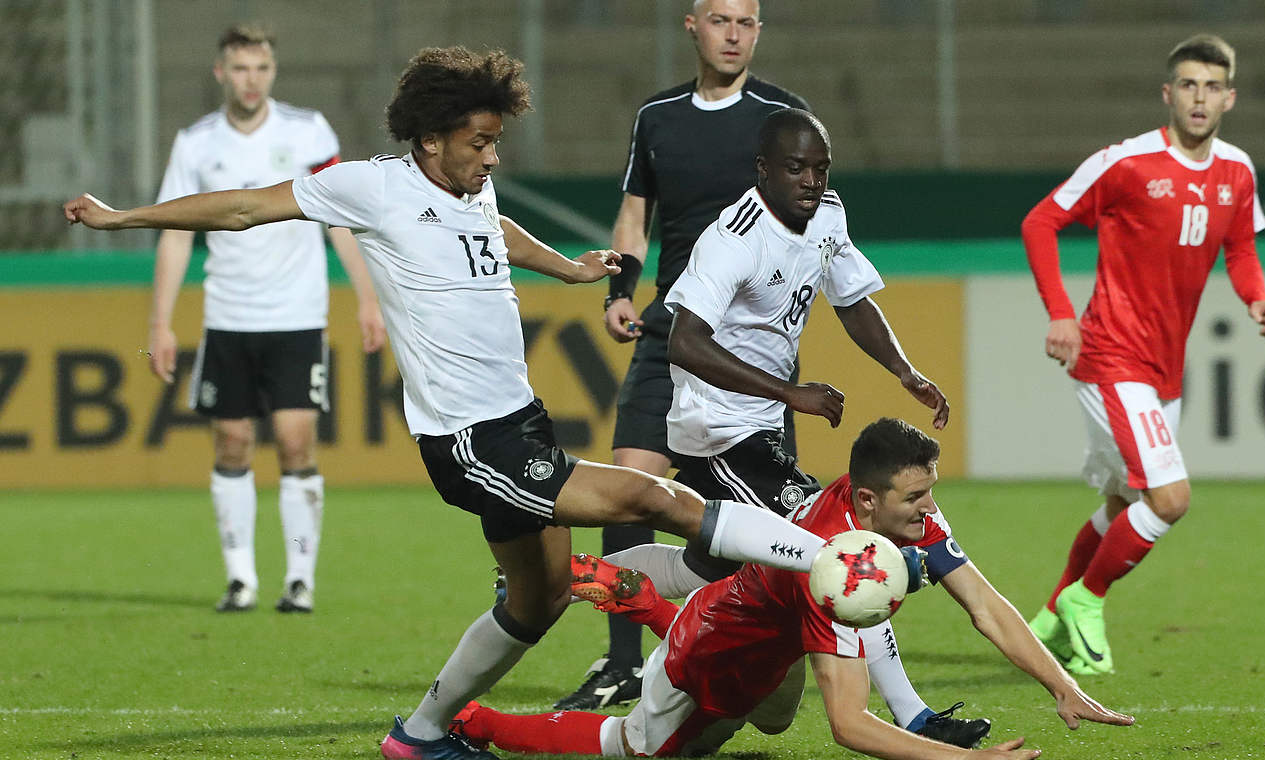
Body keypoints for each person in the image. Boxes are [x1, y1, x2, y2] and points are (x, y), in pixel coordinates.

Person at [65, 45, 838, 760]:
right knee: (651, 497)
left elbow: (492, 228)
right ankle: (824, 557)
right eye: (480, 142)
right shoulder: (371, 187)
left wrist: (567, 269)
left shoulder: (471, 184)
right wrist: (123, 218)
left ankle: (419, 737)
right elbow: (242, 208)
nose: (492, 156)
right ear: (431, 139)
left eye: (495, 141)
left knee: (538, 601)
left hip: (518, 418)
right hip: (472, 440)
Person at [447, 419, 1135, 759]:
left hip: (768, 642)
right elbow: (849, 726)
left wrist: (1061, 685)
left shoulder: (887, 515)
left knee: (774, 721)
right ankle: (474, 721)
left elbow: (983, 604)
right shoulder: (831, 576)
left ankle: (629, 593)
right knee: (638, 747)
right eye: (916, 498)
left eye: (931, 492)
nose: (930, 510)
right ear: (867, 501)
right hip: (713, 652)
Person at [641, 106, 982, 745]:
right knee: (842, 549)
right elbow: (684, 343)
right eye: (796, 168)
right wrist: (790, 392)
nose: (811, 180)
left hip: (762, 423)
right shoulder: (732, 238)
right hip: (717, 431)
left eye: (820, 168)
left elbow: (851, 299)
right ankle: (914, 716)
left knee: (706, 567)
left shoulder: (827, 213)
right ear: (763, 169)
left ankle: (571, 575)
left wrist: (904, 371)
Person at [564, 0, 811, 711]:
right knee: (625, 485)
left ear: (758, 30)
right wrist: (620, 289)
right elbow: (635, 215)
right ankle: (622, 661)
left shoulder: (784, 118)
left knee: (755, 509)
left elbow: (812, 224)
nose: (734, 34)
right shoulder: (657, 117)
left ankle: (739, 653)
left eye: (747, 22)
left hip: (750, 346)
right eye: (720, 19)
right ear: (692, 26)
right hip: (670, 331)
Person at [1020, 33, 1265, 676]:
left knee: (1122, 505)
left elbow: (1240, 248)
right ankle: (1086, 599)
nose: (1200, 98)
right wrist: (1061, 312)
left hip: (1166, 368)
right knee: (1169, 499)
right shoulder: (1127, 163)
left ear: (1229, 98)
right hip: (1113, 356)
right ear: (1168, 93)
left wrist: (1256, 297)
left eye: (1212, 87)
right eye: (1188, 84)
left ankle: (1051, 616)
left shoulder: (1237, 171)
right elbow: (1040, 221)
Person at [150, 24, 386, 614]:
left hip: (296, 315)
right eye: (239, 68)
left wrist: (367, 296)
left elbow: (340, 218)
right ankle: (240, 579)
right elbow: (175, 235)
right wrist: (160, 323)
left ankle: (299, 578)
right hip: (228, 316)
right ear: (220, 74)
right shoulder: (196, 143)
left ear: (272, 72)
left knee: (294, 440)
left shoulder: (307, 131)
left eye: (260, 68)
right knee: (232, 444)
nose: (250, 80)